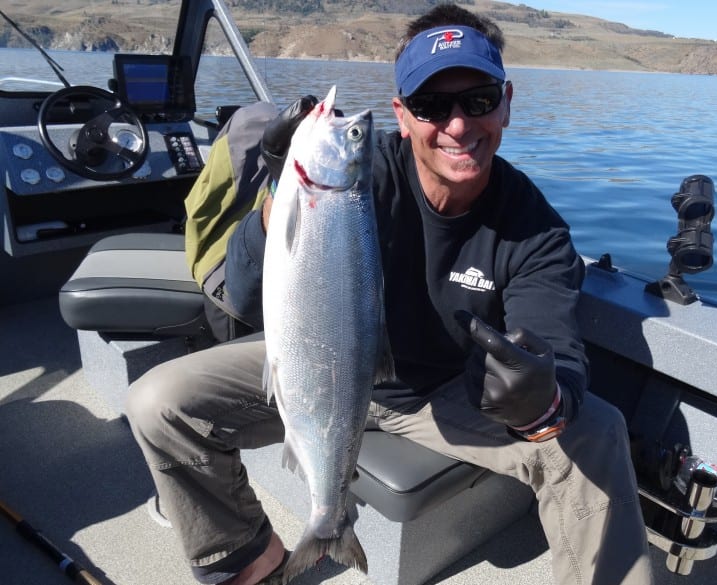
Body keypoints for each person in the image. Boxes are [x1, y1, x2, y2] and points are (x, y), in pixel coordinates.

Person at [126, 4, 654, 585]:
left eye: (477, 100)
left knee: (595, 429)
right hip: (315, 362)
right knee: (159, 401)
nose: (457, 126)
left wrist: (541, 398)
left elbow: (556, 345)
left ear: (506, 102)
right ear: (402, 116)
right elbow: (246, 300)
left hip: (441, 394)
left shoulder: (536, 229)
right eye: (431, 105)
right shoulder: (355, 175)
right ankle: (253, 564)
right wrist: (281, 191)